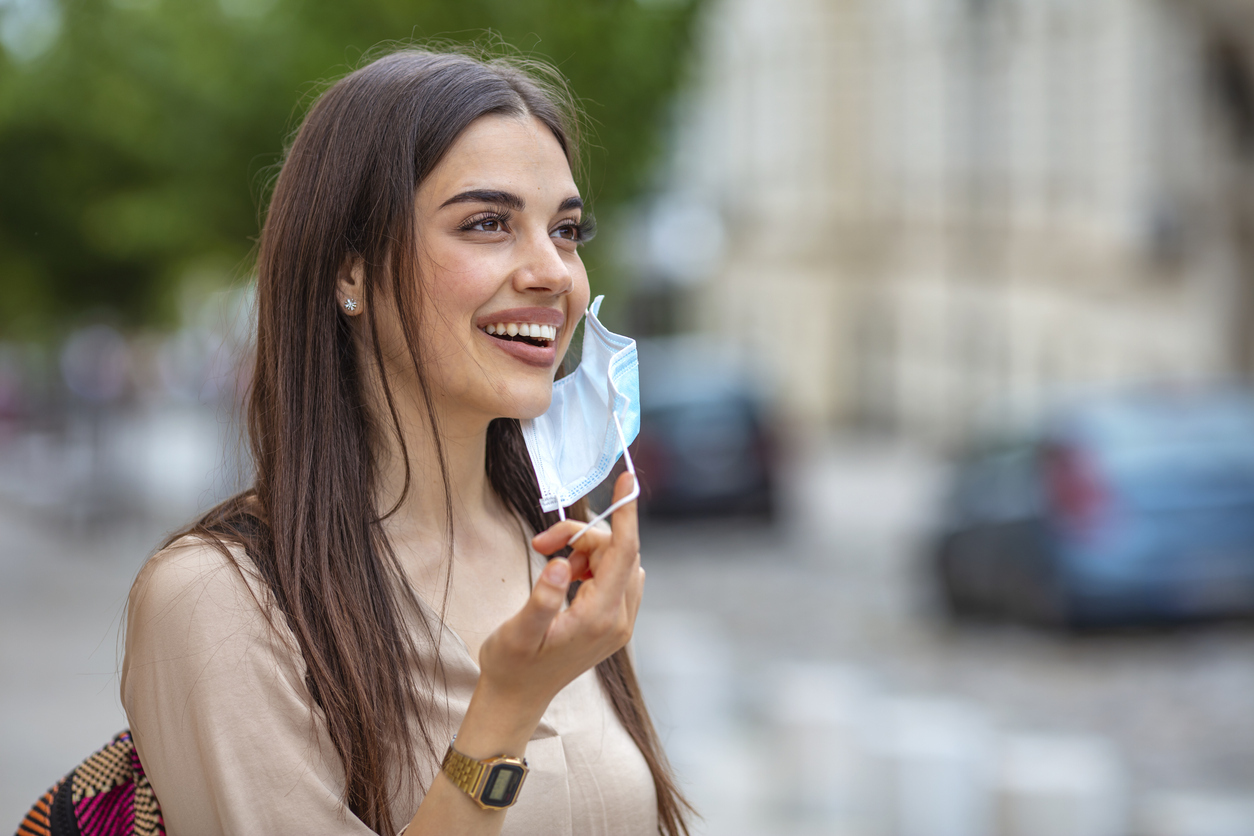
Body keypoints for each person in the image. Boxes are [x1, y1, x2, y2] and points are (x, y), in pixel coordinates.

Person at [120, 48, 692, 836]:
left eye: (565, 230)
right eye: (488, 224)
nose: (554, 272)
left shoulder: (558, 548)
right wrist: (509, 708)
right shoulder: (223, 602)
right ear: (349, 271)